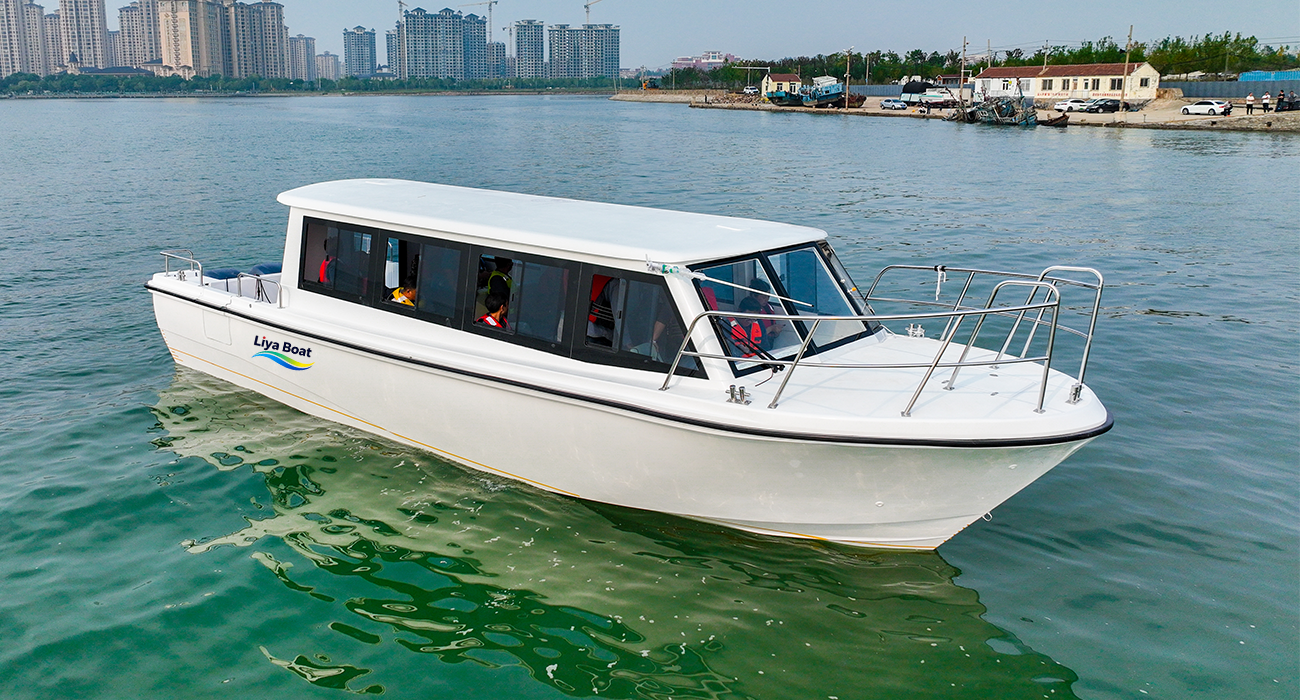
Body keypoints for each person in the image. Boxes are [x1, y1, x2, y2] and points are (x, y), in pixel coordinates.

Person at [736, 279, 786, 351]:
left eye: (768, 296)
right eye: (763, 297)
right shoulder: (746, 310)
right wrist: (770, 329)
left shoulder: (769, 308)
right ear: (754, 295)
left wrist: (776, 331)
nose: (766, 299)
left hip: (768, 343)